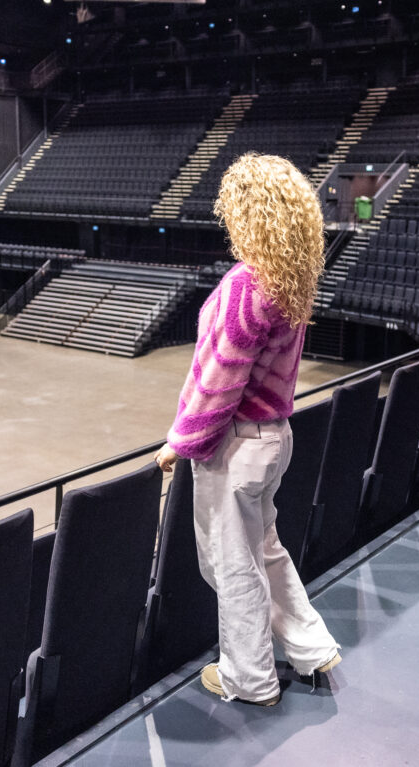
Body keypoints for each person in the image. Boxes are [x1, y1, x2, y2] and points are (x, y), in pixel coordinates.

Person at [155, 153, 340, 707]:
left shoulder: (246, 285)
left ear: (249, 214)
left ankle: (250, 679)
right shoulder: (291, 279)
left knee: (231, 565)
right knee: (265, 549)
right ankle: (310, 647)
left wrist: (179, 442)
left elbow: (219, 381)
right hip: (274, 437)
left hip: (235, 444)